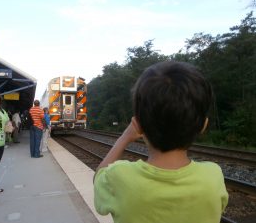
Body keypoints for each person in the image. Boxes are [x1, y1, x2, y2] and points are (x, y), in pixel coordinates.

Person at [94, 61, 229, 223]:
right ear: (203, 126)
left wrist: (124, 137)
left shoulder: (119, 176)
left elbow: (98, 178)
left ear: (139, 125)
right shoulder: (213, 176)